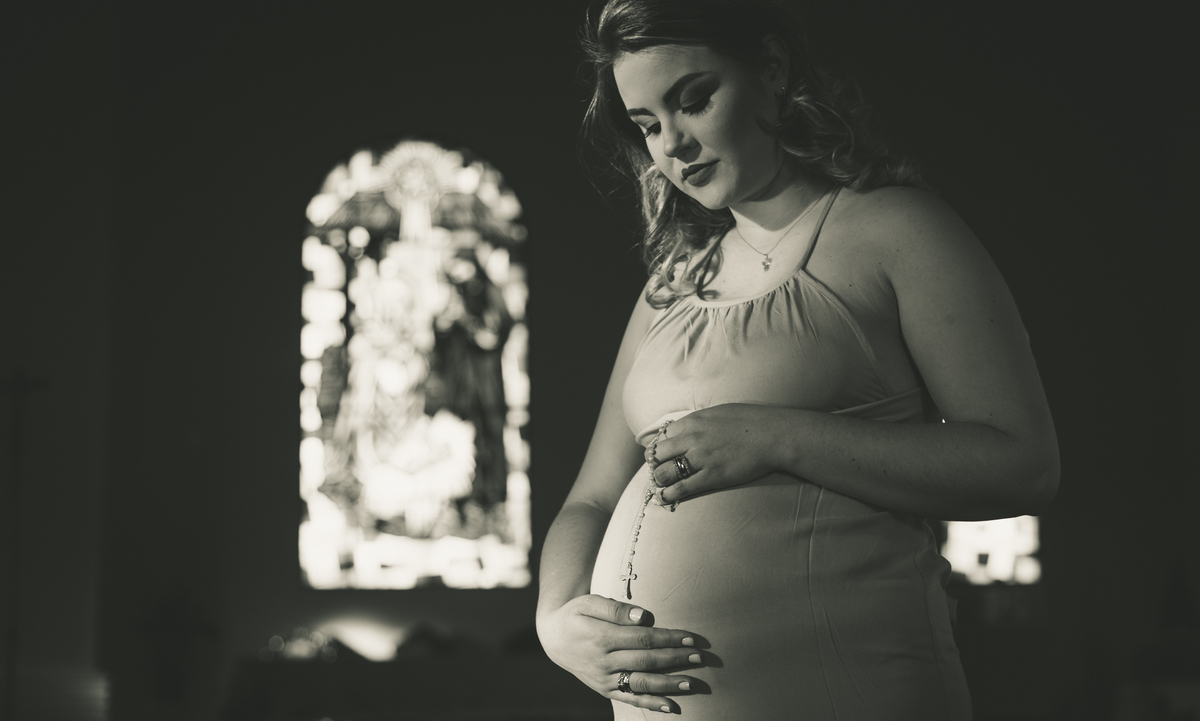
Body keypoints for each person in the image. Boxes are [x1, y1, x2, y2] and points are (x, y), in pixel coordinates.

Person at [535, 1, 1059, 718]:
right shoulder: (671, 282)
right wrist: (555, 618)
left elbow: (1023, 462)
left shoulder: (896, 228)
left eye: (694, 100)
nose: (674, 145)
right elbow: (592, 496)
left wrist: (779, 435)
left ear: (772, 69)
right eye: (648, 125)